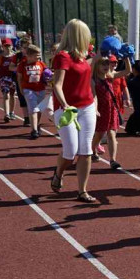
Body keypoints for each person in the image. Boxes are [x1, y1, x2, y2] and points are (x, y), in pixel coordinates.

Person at [49, 20, 97, 203]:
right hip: (67, 109)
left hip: (87, 107)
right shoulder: (63, 57)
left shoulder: (83, 57)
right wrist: (65, 104)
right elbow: (57, 85)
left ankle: (82, 191)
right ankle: (59, 172)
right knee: (70, 151)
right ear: (79, 35)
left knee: (86, 150)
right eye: (86, 34)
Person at [90, 55, 124, 170]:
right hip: (101, 110)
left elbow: (127, 71)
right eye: (103, 64)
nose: (106, 66)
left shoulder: (110, 76)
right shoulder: (93, 80)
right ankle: (92, 150)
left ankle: (113, 160)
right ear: (97, 66)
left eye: (107, 64)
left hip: (112, 109)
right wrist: (95, 109)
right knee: (99, 134)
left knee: (112, 134)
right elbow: (94, 96)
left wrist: (127, 58)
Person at [17, 44, 50, 140]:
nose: (39, 56)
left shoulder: (41, 64)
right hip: (28, 89)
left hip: (40, 89)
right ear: (29, 55)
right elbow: (19, 78)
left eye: (39, 55)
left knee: (38, 109)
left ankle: (36, 125)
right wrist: (21, 89)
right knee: (32, 109)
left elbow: (47, 74)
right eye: (37, 55)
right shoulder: (22, 64)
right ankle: (34, 130)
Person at [0, 39, 19, 123]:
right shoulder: (0, 57)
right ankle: (6, 114)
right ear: (3, 47)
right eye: (5, 46)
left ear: (12, 46)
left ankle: (12, 112)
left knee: (12, 95)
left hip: (13, 78)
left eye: (9, 46)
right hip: (3, 78)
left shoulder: (15, 56)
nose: (7, 47)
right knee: (6, 94)